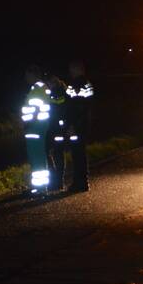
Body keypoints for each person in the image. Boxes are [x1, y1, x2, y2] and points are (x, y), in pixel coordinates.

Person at [21, 65, 66, 193]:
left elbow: (35, 109)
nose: (25, 78)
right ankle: (40, 187)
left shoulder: (38, 89)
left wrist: (28, 123)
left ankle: (39, 188)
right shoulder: (42, 88)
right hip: (38, 126)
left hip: (35, 127)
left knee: (36, 157)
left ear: (32, 75)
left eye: (26, 75)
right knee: (39, 156)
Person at [62, 59, 95, 192]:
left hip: (77, 126)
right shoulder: (87, 84)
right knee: (80, 153)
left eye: (72, 69)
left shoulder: (76, 85)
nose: (70, 72)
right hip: (82, 124)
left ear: (77, 69)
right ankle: (82, 182)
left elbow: (74, 107)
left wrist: (71, 125)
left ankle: (79, 183)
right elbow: (86, 106)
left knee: (77, 154)